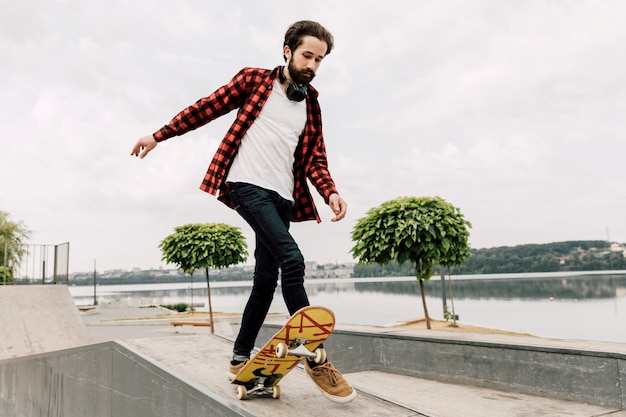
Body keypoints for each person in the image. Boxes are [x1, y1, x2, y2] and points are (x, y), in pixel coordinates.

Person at [130, 20, 356, 403]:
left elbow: (315, 158)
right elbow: (206, 108)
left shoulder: (311, 104)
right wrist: (159, 134)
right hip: (246, 186)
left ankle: (239, 357)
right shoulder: (254, 81)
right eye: (307, 56)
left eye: (319, 60)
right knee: (292, 259)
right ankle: (315, 359)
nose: (313, 65)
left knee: (266, 278)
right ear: (287, 50)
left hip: (283, 197)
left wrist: (330, 192)